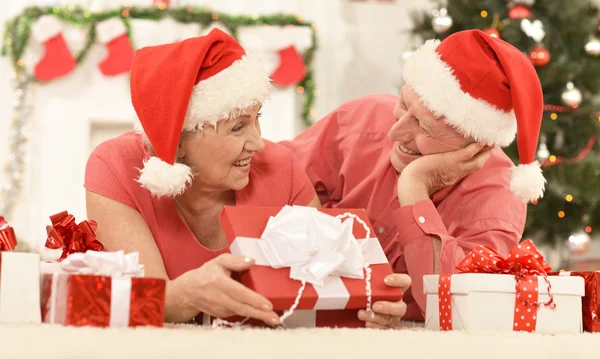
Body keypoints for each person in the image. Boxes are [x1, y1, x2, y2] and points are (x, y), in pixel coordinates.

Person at [85, 29, 410, 328]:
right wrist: (187, 295)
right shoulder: (116, 166)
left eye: (258, 119)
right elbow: (142, 301)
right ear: (179, 141)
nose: (257, 143)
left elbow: (319, 294)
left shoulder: (281, 168)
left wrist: (366, 307)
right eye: (238, 126)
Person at [280, 29, 546, 321]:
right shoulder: (362, 118)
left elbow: (456, 311)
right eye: (404, 105)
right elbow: (269, 174)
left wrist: (415, 187)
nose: (395, 132)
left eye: (424, 127)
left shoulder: (497, 199)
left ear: (477, 145)